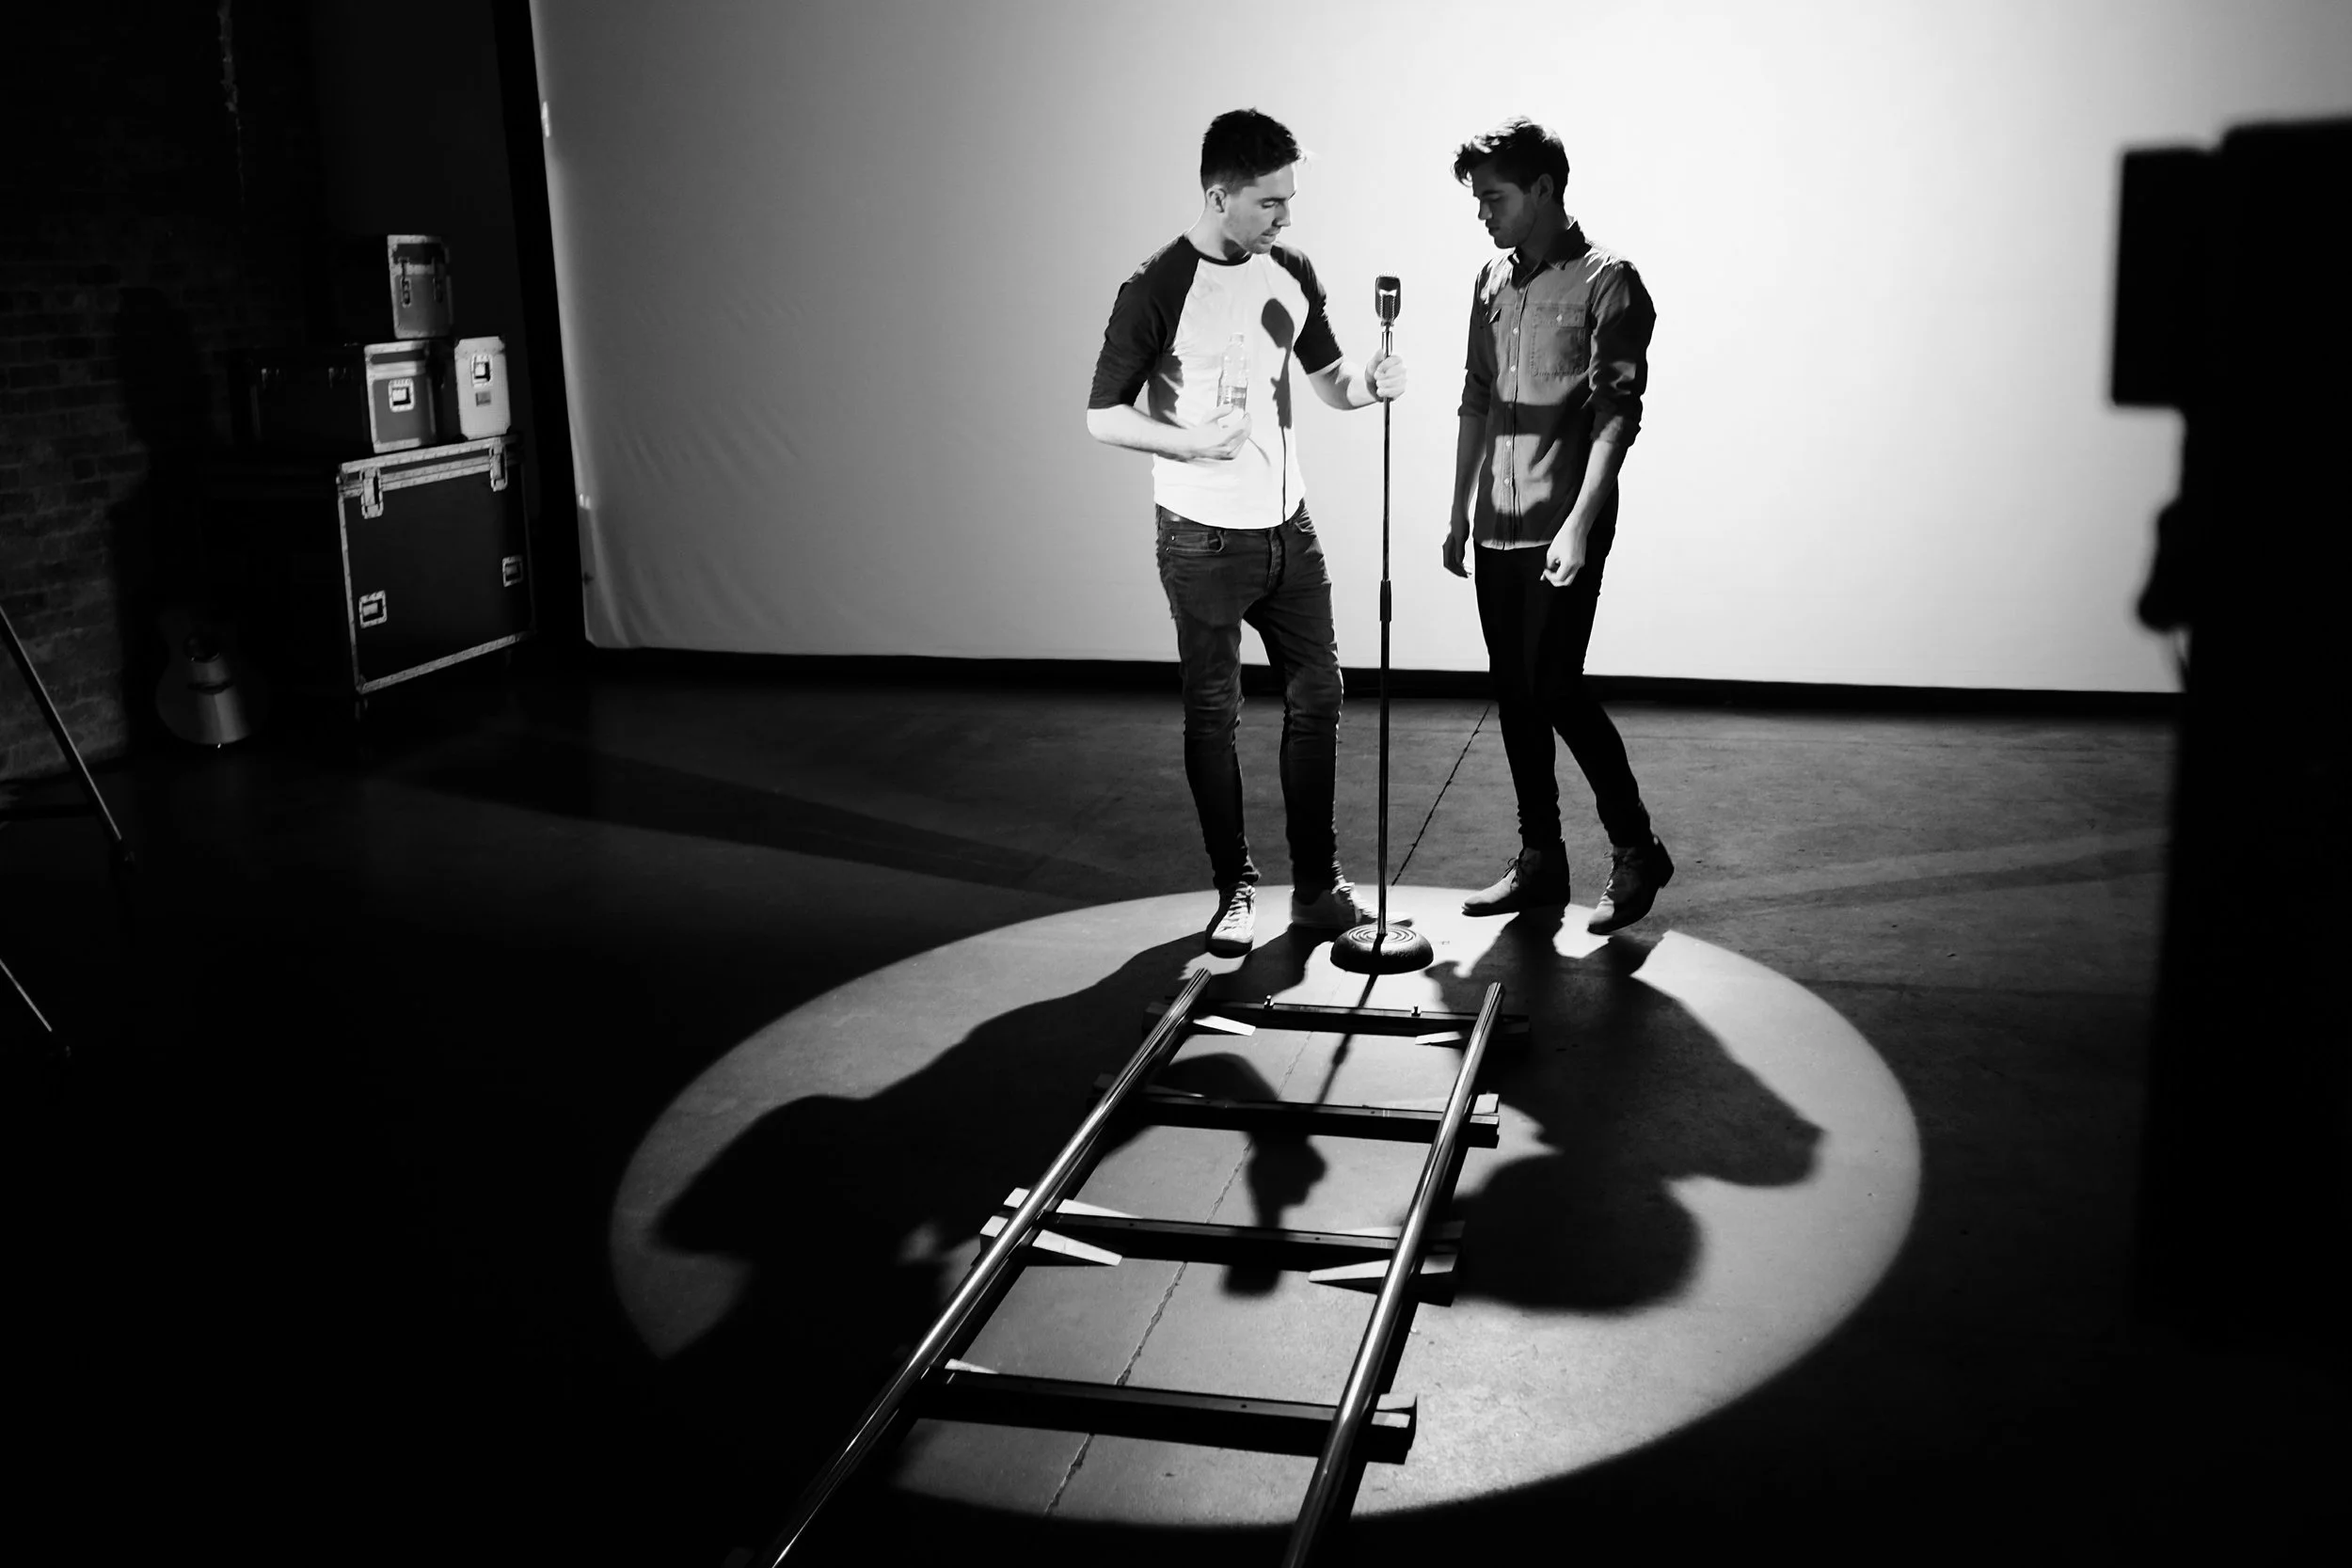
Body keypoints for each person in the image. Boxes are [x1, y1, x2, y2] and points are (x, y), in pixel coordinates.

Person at [1088, 108, 1407, 958]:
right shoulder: (1157, 288)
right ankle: (1235, 889)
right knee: (1212, 714)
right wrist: (1187, 441)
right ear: (1219, 195)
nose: (1286, 218)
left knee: (1321, 697)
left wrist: (1370, 384)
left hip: (1288, 530)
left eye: (1289, 201)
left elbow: (1331, 380)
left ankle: (1317, 887)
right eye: (1270, 203)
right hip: (1202, 537)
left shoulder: (1292, 271)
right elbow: (1101, 416)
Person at [1441, 118, 1673, 933]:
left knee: (1555, 686)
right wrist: (1458, 509)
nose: (1483, 214)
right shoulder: (1490, 283)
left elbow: (1618, 415)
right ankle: (1541, 857)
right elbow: (1475, 395)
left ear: (1543, 189)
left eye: (1494, 198)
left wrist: (1580, 522)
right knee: (1513, 694)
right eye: (1478, 200)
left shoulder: (1610, 281)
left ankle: (1637, 848)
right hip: (1497, 523)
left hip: (1562, 521)